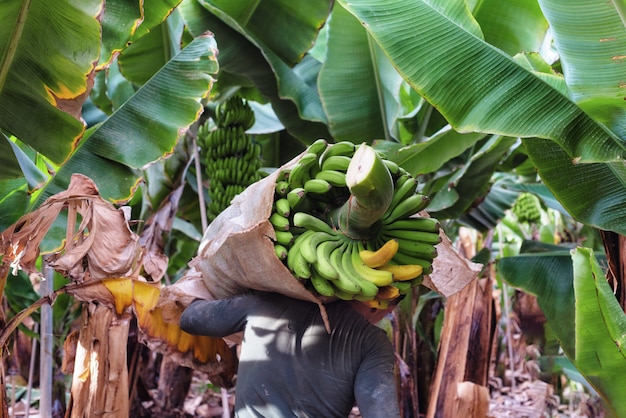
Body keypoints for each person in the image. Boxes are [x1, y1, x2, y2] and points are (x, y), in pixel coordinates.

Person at [180, 290, 401, 418]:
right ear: (378, 306)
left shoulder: (263, 301)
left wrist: (206, 289)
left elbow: (190, 319)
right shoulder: (372, 342)